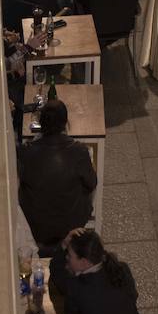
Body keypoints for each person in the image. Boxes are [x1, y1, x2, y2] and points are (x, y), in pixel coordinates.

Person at [49, 228, 142, 314]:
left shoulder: (76, 288)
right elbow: (132, 297)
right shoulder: (122, 269)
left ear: (85, 262)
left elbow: (56, 270)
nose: (67, 258)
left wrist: (64, 243)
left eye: (70, 255)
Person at [18, 100, 97, 253]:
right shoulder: (79, 151)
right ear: (65, 123)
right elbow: (92, 183)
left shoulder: (25, 152)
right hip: (71, 223)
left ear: (41, 123)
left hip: (35, 224)